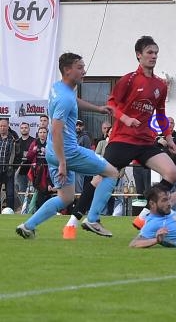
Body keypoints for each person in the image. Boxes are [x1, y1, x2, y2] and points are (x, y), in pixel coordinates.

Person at [65, 36, 176, 238]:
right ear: (139, 55)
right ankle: (73, 221)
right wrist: (126, 119)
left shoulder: (160, 85)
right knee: (98, 180)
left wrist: (169, 139)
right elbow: (111, 105)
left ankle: (144, 215)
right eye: (149, 53)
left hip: (145, 141)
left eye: (156, 53)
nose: (154, 56)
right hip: (122, 140)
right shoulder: (128, 80)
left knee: (171, 173)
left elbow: (160, 114)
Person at [16, 53, 119, 239]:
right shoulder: (64, 97)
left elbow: (74, 101)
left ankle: (27, 226)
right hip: (68, 152)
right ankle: (93, 219)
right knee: (112, 173)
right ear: (67, 70)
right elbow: (55, 130)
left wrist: (98, 109)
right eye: (79, 68)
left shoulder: (59, 88)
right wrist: (63, 162)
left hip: (53, 152)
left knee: (66, 197)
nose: (84, 71)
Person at [26, 127, 54, 210]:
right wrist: (35, 150)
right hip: (37, 171)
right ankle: (37, 208)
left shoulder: (50, 143)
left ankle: (46, 208)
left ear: (47, 133)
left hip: (48, 170)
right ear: (38, 133)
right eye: (40, 132)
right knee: (38, 190)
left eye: (44, 132)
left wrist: (47, 151)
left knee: (48, 190)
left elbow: (54, 155)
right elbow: (29, 156)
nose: (42, 134)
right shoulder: (34, 143)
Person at [14, 122, 35, 198]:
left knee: (32, 191)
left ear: (29, 129)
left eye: (26, 127)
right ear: (20, 130)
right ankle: (24, 208)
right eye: (22, 128)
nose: (24, 129)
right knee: (21, 191)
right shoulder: (17, 142)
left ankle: (32, 208)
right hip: (20, 170)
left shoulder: (34, 141)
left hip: (32, 170)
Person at [0, 118, 16, 209]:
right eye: (1, 126)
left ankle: (10, 212)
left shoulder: (12, 139)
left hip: (8, 170)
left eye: (4, 126)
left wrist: (11, 166)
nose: (2, 128)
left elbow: (15, 154)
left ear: (8, 126)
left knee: (10, 194)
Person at [75, 119, 92, 194]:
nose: (78, 127)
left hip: (80, 164)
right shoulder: (72, 136)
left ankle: (78, 202)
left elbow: (87, 152)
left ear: (83, 127)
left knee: (79, 185)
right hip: (71, 163)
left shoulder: (85, 137)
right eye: (77, 125)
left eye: (80, 125)